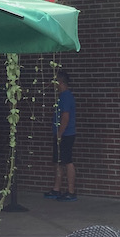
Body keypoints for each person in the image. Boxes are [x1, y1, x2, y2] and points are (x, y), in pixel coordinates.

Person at [44, 70, 77, 201]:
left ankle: (71, 191)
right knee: (58, 161)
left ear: (61, 82)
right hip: (62, 133)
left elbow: (65, 116)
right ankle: (56, 189)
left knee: (67, 161)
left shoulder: (66, 97)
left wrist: (60, 133)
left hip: (66, 134)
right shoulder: (62, 96)